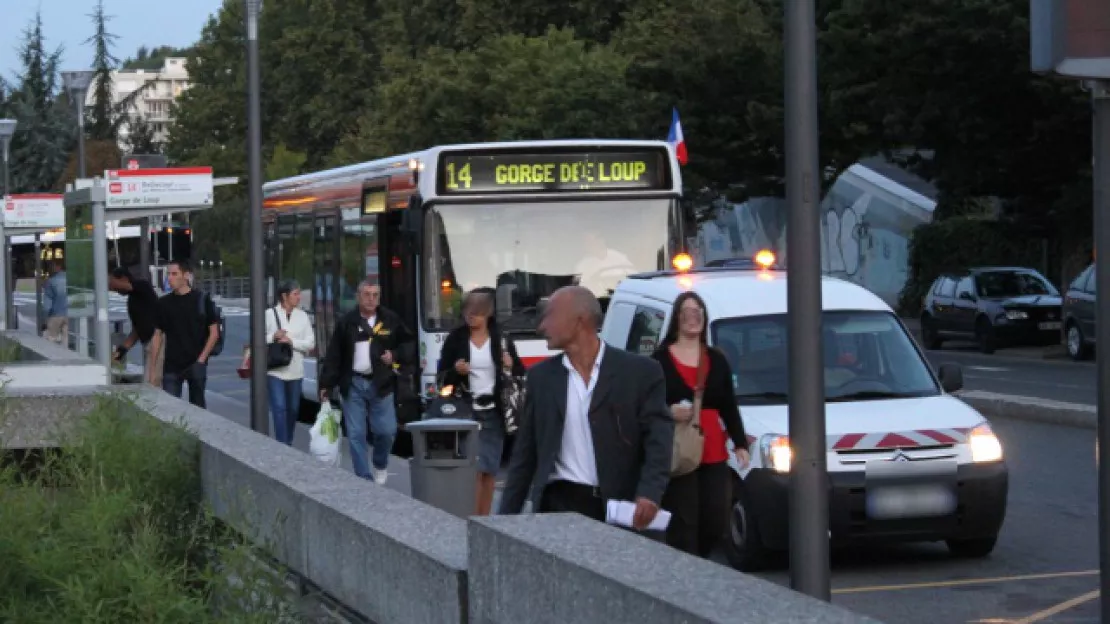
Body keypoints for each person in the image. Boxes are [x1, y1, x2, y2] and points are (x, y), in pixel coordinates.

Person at [499, 286, 672, 529]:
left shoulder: (639, 374)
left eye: (549, 316)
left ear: (579, 321)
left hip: (617, 509)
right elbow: (524, 456)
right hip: (558, 506)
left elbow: (659, 440)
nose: (541, 327)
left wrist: (650, 493)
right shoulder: (541, 378)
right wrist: (502, 523)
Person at [652, 291, 750, 557]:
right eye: (687, 312)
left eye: (698, 312)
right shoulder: (659, 361)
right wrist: (668, 411)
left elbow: (728, 404)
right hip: (679, 450)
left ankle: (700, 562)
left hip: (712, 450)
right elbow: (645, 405)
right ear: (677, 318)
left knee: (715, 519)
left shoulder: (716, 359)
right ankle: (685, 574)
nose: (693, 318)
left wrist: (740, 443)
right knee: (683, 522)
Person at [437, 287, 525, 515]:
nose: (471, 315)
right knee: (473, 469)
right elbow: (441, 376)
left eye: (476, 311)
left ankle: (483, 519)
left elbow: (519, 373)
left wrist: (509, 365)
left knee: (490, 470)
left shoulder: (502, 340)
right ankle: (471, 516)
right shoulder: (456, 339)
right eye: (467, 310)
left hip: (494, 412)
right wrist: (456, 371)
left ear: (488, 313)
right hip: (466, 410)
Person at [319, 280, 414, 485]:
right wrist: (326, 385)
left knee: (387, 431)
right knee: (356, 433)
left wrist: (395, 354)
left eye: (375, 295)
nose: (371, 299)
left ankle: (380, 462)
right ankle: (364, 478)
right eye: (367, 294)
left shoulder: (390, 319)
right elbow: (334, 355)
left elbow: (409, 344)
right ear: (358, 297)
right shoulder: (347, 322)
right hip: (353, 383)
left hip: (381, 383)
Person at [150, 260, 220, 408]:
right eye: (168, 274)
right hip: (171, 365)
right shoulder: (163, 303)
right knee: (170, 409)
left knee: (198, 408)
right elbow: (157, 336)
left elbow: (214, 332)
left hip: (196, 362)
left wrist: (201, 359)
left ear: (186, 275)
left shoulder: (201, 299)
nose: (170, 278)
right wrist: (153, 370)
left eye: (174, 274)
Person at [265, 280, 315, 446]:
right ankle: (282, 444)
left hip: (295, 370)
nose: (299, 297)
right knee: (279, 408)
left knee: (293, 409)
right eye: (295, 294)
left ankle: (288, 439)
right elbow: (257, 339)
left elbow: (310, 343)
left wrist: (291, 341)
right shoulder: (269, 314)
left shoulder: (303, 316)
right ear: (284, 296)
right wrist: (273, 337)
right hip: (275, 370)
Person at [109, 267, 163, 386]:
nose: (114, 289)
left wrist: (109, 281)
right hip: (148, 343)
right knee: (149, 380)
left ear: (124, 279)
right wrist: (121, 350)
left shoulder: (142, 286)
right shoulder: (132, 300)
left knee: (152, 380)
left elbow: (128, 286)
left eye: (115, 285)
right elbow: (137, 330)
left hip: (158, 339)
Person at [41, 260, 67, 344]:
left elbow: (47, 306)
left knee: (51, 340)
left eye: (52, 266)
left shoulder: (51, 281)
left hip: (55, 315)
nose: (50, 269)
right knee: (66, 340)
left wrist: (45, 321)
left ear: (57, 267)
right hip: (69, 314)